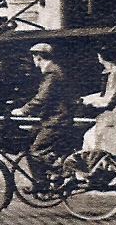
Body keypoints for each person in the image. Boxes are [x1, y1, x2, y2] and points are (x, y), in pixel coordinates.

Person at [12, 43, 77, 189]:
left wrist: (24, 110)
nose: (33, 60)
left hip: (57, 120)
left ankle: (60, 175)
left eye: (34, 57)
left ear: (38, 57)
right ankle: (43, 180)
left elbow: (43, 97)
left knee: (37, 151)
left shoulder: (53, 74)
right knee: (29, 147)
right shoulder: (51, 73)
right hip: (51, 118)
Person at [81, 52, 116, 156]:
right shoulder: (114, 73)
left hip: (112, 118)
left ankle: (89, 169)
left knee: (93, 142)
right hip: (112, 118)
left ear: (101, 57)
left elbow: (109, 99)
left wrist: (90, 102)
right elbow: (107, 93)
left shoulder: (115, 74)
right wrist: (89, 97)